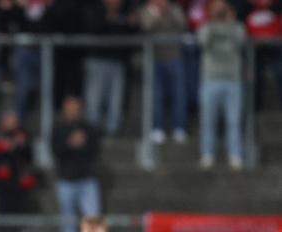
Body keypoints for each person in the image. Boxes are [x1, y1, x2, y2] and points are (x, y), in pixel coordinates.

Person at [51, 96, 101, 232]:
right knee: (68, 221)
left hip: (87, 180)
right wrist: (70, 143)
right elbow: (56, 150)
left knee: (93, 219)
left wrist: (82, 143)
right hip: (66, 181)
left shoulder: (87, 128)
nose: (73, 111)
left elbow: (95, 149)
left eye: (76, 107)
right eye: (70, 107)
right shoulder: (59, 128)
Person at [197, 0, 245, 170]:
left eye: (222, 8)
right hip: (210, 79)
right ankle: (207, 154)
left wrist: (229, 23)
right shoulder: (206, 26)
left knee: (234, 120)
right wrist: (213, 21)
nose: (220, 11)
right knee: (208, 120)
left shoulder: (237, 27)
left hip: (233, 80)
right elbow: (203, 41)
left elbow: (240, 41)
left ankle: (235, 154)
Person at [83, 0, 137, 136]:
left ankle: (112, 130)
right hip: (97, 59)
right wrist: (109, 17)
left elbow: (132, 30)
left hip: (118, 60)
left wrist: (126, 22)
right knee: (94, 97)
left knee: (116, 99)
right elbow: (92, 27)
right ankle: (92, 130)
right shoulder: (94, 8)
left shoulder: (126, 9)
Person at [139, 0, 189, 144]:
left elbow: (183, 25)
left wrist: (168, 12)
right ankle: (157, 128)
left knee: (179, 94)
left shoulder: (175, 9)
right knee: (156, 95)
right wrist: (159, 15)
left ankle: (179, 127)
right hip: (154, 59)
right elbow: (146, 26)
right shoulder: (147, 10)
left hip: (175, 58)